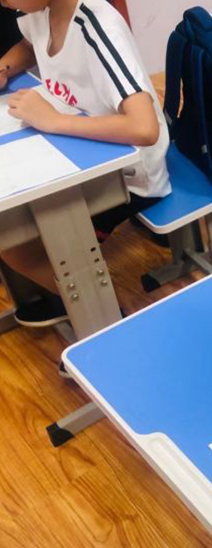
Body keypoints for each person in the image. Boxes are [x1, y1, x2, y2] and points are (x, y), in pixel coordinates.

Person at [0, 0, 170, 326]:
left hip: (131, 176)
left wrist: (53, 121)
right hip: (81, 152)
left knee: (15, 242)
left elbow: (144, 128)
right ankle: (69, 295)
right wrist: (4, 68)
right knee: (12, 225)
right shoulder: (41, 12)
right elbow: (29, 44)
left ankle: (106, 314)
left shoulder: (98, 26)